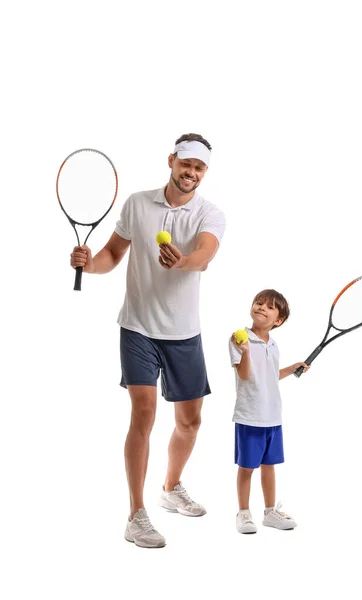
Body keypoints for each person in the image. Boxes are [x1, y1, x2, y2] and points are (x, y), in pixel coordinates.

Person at [70, 133, 226, 548]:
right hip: (137, 327)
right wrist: (89, 264)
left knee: (190, 422)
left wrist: (184, 261)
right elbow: (111, 255)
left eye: (199, 168)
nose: (191, 173)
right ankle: (136, 514)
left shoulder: (210, 214)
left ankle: (171, 486)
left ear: (204, 172)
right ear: (172, 161)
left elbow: (204, 255)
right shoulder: (138, 203)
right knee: (144, 413)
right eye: (185, 164)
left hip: (184, 333)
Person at [229, 289, 309, 534]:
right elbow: (244, 376)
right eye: (258, 302)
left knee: (269, 465)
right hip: (250, 416)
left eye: (269, 307)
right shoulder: (239, 339)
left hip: (273, 416)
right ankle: (243, 513)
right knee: (246, 467)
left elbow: (270, 376)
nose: (261, 307)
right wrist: (244, 353)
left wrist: (292, 368)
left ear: (278, 321)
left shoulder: (273, 344)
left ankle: (270, 512)